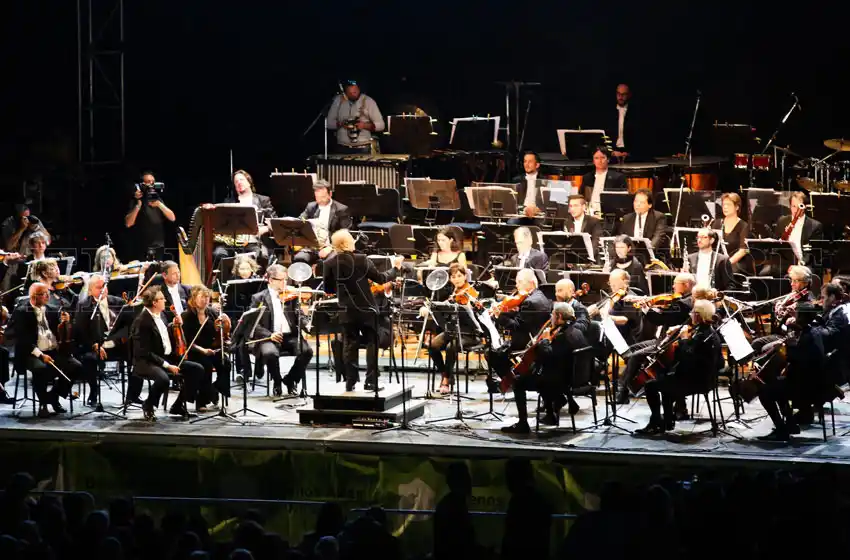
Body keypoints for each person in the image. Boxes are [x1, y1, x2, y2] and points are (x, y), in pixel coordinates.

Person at [322, 230, 403, 391]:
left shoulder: (329, 263)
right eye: (351, 239)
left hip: (346, 310)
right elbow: (380, 278)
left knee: (349, 344)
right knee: (372, 342)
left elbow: (328, 288)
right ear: (346, 243)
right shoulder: (361, 259)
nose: (354, 240)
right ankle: (371, 381)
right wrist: (396, 268)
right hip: (366, 309)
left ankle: (350, 382)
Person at [501, 302, 589, 433]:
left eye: (552, 314)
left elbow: (549, 356)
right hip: (575, 378)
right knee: (539, 372)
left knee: (518, 381)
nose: (551, 317)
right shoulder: (576, 331)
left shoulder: (562, 336)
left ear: (559, 316)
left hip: (561, 381)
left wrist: (546, 341)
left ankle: (523, 424)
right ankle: (551, 414)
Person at [636, 299, 722, 434]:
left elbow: (686, 358)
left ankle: (656, 422)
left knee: (650, 386)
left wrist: (683, 339)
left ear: (699, 315)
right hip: (706, 379)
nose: (690, 315)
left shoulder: (701, 336)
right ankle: (667, 421)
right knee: (665, 381)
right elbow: (718, 361)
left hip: (694, 382)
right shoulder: (709, 331)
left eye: (693, 312)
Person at [617, 272, 696, 405]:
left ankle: (625, 390)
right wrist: (651, 303)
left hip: (668, 344)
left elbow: (660, 319)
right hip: (663, 340)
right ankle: (628, 385)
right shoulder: (681, 300)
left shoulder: (684, 303)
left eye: (675, 284)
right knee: (632, 349)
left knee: (636, 355)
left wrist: (646, 308)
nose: (673, 286)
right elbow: (665, 310)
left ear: (686, 285)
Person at [13, 283, 88, 418]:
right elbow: (23, 339)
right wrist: (41, 355)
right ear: (33, 296)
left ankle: (53, 396)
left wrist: (66, 323)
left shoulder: (52, 309)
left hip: (52, 350)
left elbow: (61, 332)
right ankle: (43, 404)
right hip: (31, 353)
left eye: (47, 293)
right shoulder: (22, 312)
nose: (47, 296)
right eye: (43, 294)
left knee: (76, 366)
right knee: (40, 369)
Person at [130, 286, 203, 421]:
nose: (165, 301)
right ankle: (149, 404)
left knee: (196, 369)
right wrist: (167, 365)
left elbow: (163, 337)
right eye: (162, 299)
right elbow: (144, 351)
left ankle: (178, 405)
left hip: (165, 357)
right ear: (154, 302)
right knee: (163, 379)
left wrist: (174, 326)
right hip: (146, 361)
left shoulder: (161, 315)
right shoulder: (142, 322)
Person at [245, 264, 313, 396]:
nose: (284, 283)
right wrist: (270, 335)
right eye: (281, 280)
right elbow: (253, 324)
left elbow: (300, 315)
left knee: (307, 351)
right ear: (270, 280)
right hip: (269, 337)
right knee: (270, 353)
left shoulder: (290, 297)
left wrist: (308, 324)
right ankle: (277, 382)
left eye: (286, 280)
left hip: (290, 336)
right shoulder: (259, 298)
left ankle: (290, 379)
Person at [487, 268, 551, 392]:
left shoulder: (530, 302)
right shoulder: (540, 296)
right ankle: (511, 381)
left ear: (531, 283)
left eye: (519, 282)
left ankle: (512, 382)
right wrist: (507, 311)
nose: (516, 285)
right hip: (534, 337)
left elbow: (516, 326)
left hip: (526, 343)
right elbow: (522, 318)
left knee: (492, 353)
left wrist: (498, 315)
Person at [74, 274, 131, 407]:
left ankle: (132, 395)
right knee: (89, 360)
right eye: (98, 287)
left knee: (137, 355)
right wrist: (94, 345)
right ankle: (94, 391)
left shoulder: (118, 302)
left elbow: (127, 325)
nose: (102, 290)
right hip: (96, 346)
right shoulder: (84, 305)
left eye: (104, 287)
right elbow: (81, 331)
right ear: (90, 290)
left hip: (117, 345)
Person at [427, 264, 482, 395]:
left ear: (465, 276)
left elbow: (478, 315)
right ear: (450, 279)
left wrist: (471, 305)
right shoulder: (452, 293)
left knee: (450, 347)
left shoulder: (472, 292)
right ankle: (446, 375)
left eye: (459, 276)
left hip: (469, 333)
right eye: (453, 277)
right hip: (452, 330)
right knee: (432, 346)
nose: (457, 279)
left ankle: (446, 380)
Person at [206, 169, 276, 264]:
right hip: (233, 243)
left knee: (260, 254)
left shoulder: (263, 200)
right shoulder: (229, 202)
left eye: (241, 180)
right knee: (219, 253)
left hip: (255, 241)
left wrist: (265, 229)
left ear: (249, 182)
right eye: (236, 181)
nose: (239, 183)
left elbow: (274, 222)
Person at [181, 285, 231, 411]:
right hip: (195, 351)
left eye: (207, 297)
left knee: (226, 362)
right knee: (206, 366)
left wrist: (222, 328)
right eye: (202, 297)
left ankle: (215, 388)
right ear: (194, 298)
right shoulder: (186, 316)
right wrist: (202, 350)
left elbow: (217, 334)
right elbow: (186, 341)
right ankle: (201, 401)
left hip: (211, 348)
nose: (205, 300)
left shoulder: (212, 313)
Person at [293, 180, 352, 267]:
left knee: (331, 262)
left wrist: (330, 248)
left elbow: (345, 233)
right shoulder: (311, 207)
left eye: (323, 197)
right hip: (312, 247)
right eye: (317, 197)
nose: (320, 200)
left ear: (330, 194)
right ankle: (304, 280)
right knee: (300, 258)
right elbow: (299, 222)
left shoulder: (341, 209)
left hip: (331, 247)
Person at [124, 171, 176, 261]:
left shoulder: (157, 198)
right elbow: (128, 223)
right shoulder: (136, 200)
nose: (151, 185)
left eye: (153, 182)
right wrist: (138, 205)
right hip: (141, 247)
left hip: (158, 246)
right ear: (142, 184)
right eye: (148, 182)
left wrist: (159, 205)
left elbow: (172, 218)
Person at [327, 80, 385, 153]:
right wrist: (341, 124)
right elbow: (328, 124)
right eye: (349, 93)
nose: (353, 95)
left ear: (359, 89)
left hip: (363, 147)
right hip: (342, 147)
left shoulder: (368, 101)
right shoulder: (338, 100)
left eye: (355, 92)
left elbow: (381, 125)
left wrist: (364, 125)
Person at [581, 146, 628, 215]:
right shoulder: (587, 177)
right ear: (593, 161)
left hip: (609, 214)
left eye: (603, 157)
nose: (600, 161)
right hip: (589, 213)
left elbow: (622, 201)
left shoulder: (618, 177)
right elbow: (582, 197)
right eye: (596, 158)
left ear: (608, 159)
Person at [716, 192, 755, 275]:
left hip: (738, 265)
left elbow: (743, 250)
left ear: (737, 207)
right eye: (723, 205)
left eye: (729, 205)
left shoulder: (744, 226)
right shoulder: (716, 223)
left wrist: (727, 265)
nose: (725, 207)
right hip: (720, 263)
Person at [564, 195, 603, 261]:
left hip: (589, 258)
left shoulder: (593, 222)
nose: (572, 209)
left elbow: (596, 241)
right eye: (570, 206)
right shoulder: (567, 222)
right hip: (572, 258)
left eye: (576, 206)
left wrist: (589, 257)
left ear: (583, 207)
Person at [510, 151, 543, 223]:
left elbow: (548, 202)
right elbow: (512, 201)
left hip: (538, 213)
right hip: (522, 212)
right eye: (525, 161)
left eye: (530, 162)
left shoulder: (544, 180)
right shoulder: (517, 180)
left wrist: (537, 209)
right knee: (511, 222)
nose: (526, 164)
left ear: (537, 165)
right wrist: (524, 209)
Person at [611, 83, 639, 160]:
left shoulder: (635, 113)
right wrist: (611, 152)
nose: (621, 97)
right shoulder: (609, 113)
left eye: (624, 94)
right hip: (613, 153)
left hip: (629, 154)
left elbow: (638, 137)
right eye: (618, 94)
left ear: (629, 95)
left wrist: (629, 153)